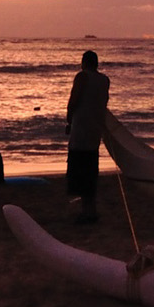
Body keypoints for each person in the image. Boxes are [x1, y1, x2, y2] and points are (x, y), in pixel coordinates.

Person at [65, 49, 110, 223]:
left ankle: (86, 212)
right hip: (95, 129)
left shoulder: (82, 77)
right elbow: (104, 101)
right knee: (91, 170)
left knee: (80, 170)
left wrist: (69, 120)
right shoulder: (104, 80)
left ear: (85, 62)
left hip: (81, 128)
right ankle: (91, 209)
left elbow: (73, 100)